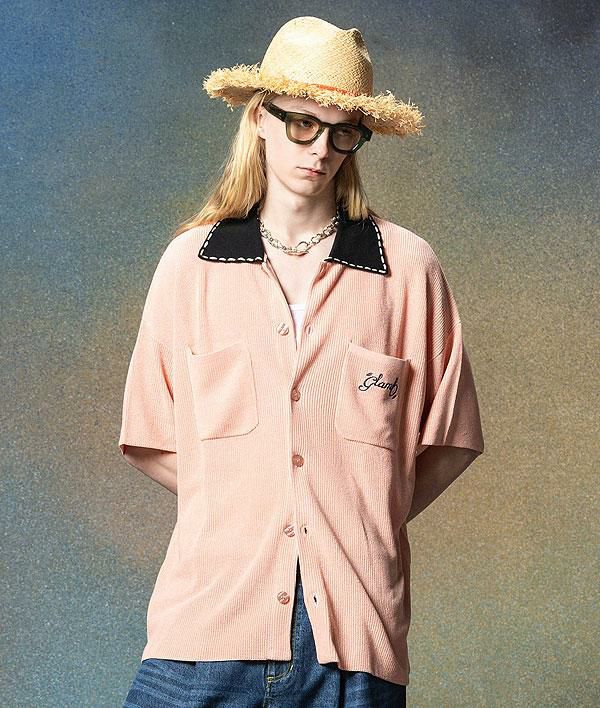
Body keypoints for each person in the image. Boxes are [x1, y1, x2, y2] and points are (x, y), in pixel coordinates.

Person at [118, 15, 484, 708]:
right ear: (260, 117)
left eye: (343, 132)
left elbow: (449, 439)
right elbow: (152, 437)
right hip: (204, 628)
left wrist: (360, 511)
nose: (321, 149)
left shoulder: (408, 271)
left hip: (351, 643)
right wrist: (251, 501)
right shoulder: (190, 266)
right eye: (302, 124)